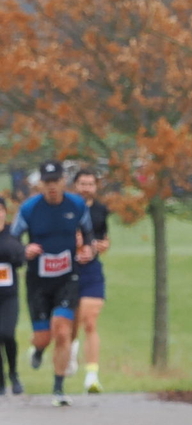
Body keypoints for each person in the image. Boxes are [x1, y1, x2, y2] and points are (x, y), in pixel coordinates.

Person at [15, 162, 90, 406]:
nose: (52, 187)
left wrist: (87, 248)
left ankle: (58, 388)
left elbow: (88, 233)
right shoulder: (29, 208)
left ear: (63, 181)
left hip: (67, 278)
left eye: (56, 181)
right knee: (43, 337)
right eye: (47, 182)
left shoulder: (76, 205)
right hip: (38, 283)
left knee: (62, 331)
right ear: (41, 184)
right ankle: (38, 350)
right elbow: (13, 238)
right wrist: (25, 249)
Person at [69, 168, 111, 393]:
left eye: (90, 184)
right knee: (72, 322)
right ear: (75, 185)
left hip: (92, 271)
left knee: (90, 321)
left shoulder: (101, 210)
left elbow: (104, 238)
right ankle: (71, 348)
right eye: (82, 183)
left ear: (96, 187)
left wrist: (102, 246)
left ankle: (92, 376)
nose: (86, 188)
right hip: (67, 269)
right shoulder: (65, 209)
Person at [0, 199, 24, 394]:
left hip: (9, 295)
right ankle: (1, 381)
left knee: (7, 333)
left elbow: (19, 258)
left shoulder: (12, 233)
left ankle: (14, 373)